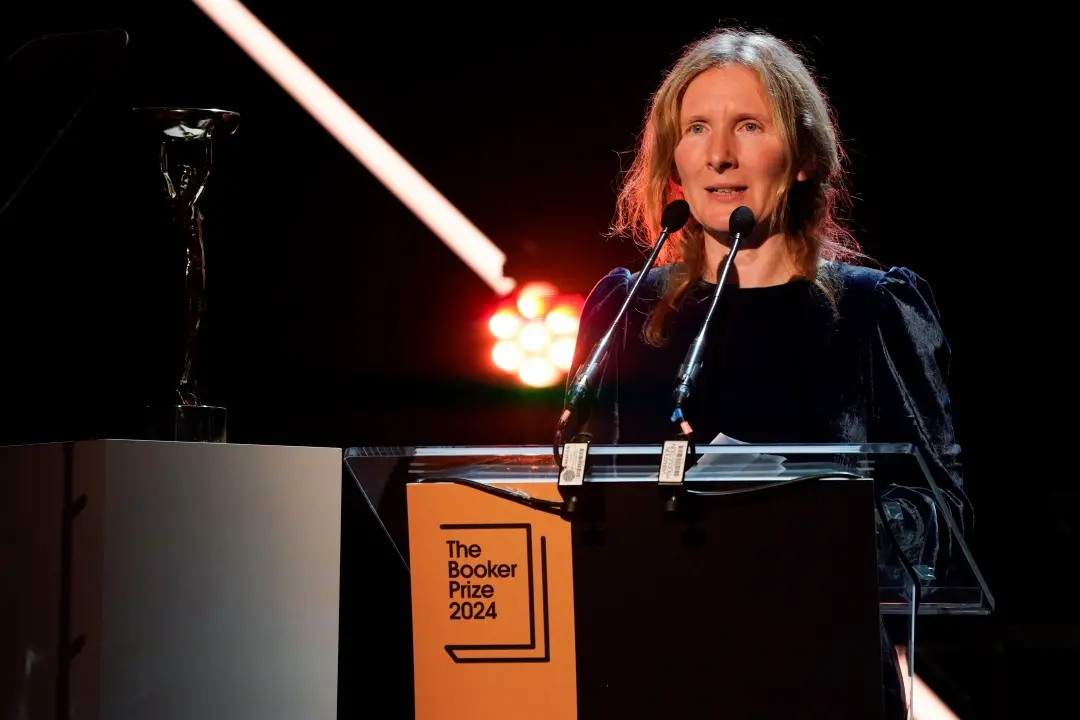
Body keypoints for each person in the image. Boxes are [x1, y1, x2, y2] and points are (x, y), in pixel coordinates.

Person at [567, 28, 971, 720]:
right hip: (647, 676)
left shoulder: (875, 312)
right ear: (673, 158)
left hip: (818, 681)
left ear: (806, 157)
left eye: (747, 125)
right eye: (696, 129)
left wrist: (786, 510)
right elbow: (571, 503)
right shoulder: (624, 311)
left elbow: (933, 528)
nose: (719, 154)